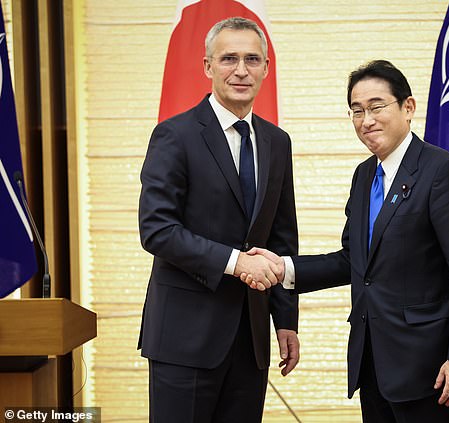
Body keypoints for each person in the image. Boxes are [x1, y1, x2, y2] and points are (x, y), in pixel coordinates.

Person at [243, 60, 449, 423]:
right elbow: (352, 260)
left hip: (430, 366)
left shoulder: (440, 171)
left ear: (408, 107)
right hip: (372, 359)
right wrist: (284, 268)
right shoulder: (364, 176)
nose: (366, 120)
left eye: (377, 107)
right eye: (357, 111)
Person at [138, 17, 300, 423]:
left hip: (251, 340)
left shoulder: (277, 143)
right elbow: (157, 229)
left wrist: (285, 320)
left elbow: (281, 235)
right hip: (184, 338)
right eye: (229, 59)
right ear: (208, 67)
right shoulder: (174, 135)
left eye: (252, 59)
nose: (241, 70)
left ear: (266, 67)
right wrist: (236, 262)